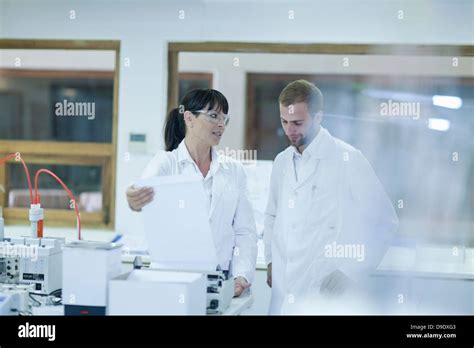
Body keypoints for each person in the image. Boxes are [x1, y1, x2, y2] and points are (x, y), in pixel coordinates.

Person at [263, 80, 399, 314]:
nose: (289, 130)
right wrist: (270, 261)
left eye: (297, 123)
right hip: (285, 292)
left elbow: (384, 222)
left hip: (326, 293)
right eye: (284, 122)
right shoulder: (282, 162)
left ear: (318, 117)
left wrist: (351, 270)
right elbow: (272, 215)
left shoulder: (348, 158)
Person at [126, 88, 257, 297]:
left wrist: (242, 276)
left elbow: (245, 231)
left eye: (225, 118)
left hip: (218, 281)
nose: (221, 124)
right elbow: (140, 191)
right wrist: (133, 197)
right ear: (189, 118)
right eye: (213, 116)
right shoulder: (167, 163)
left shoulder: (234, 171)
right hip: (171, 280)